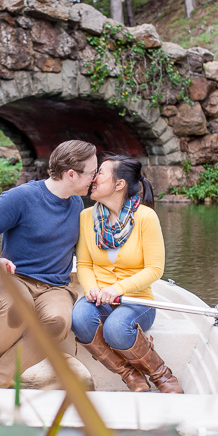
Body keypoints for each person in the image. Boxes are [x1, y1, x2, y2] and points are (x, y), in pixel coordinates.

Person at [0, 140, 98, 388]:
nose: (94, 179)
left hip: (56, 288)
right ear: (71, 174)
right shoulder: (22, 197)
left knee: (60, 321)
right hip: (13, 280)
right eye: (92, 173)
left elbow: (86, 252)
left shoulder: (76, 204)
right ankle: (1, 378)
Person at [72, 156, 183, 393]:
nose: (93, 178)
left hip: (137, 300)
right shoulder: (86, 217)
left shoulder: (145, 217)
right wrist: (91, 288)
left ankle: (161, 375)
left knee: (116, 328)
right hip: (98, 297)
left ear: (119, 184)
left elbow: (155, 269)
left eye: (100, 173)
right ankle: (129, 374)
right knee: (79, 318)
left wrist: (117, 289)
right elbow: (83, 263)